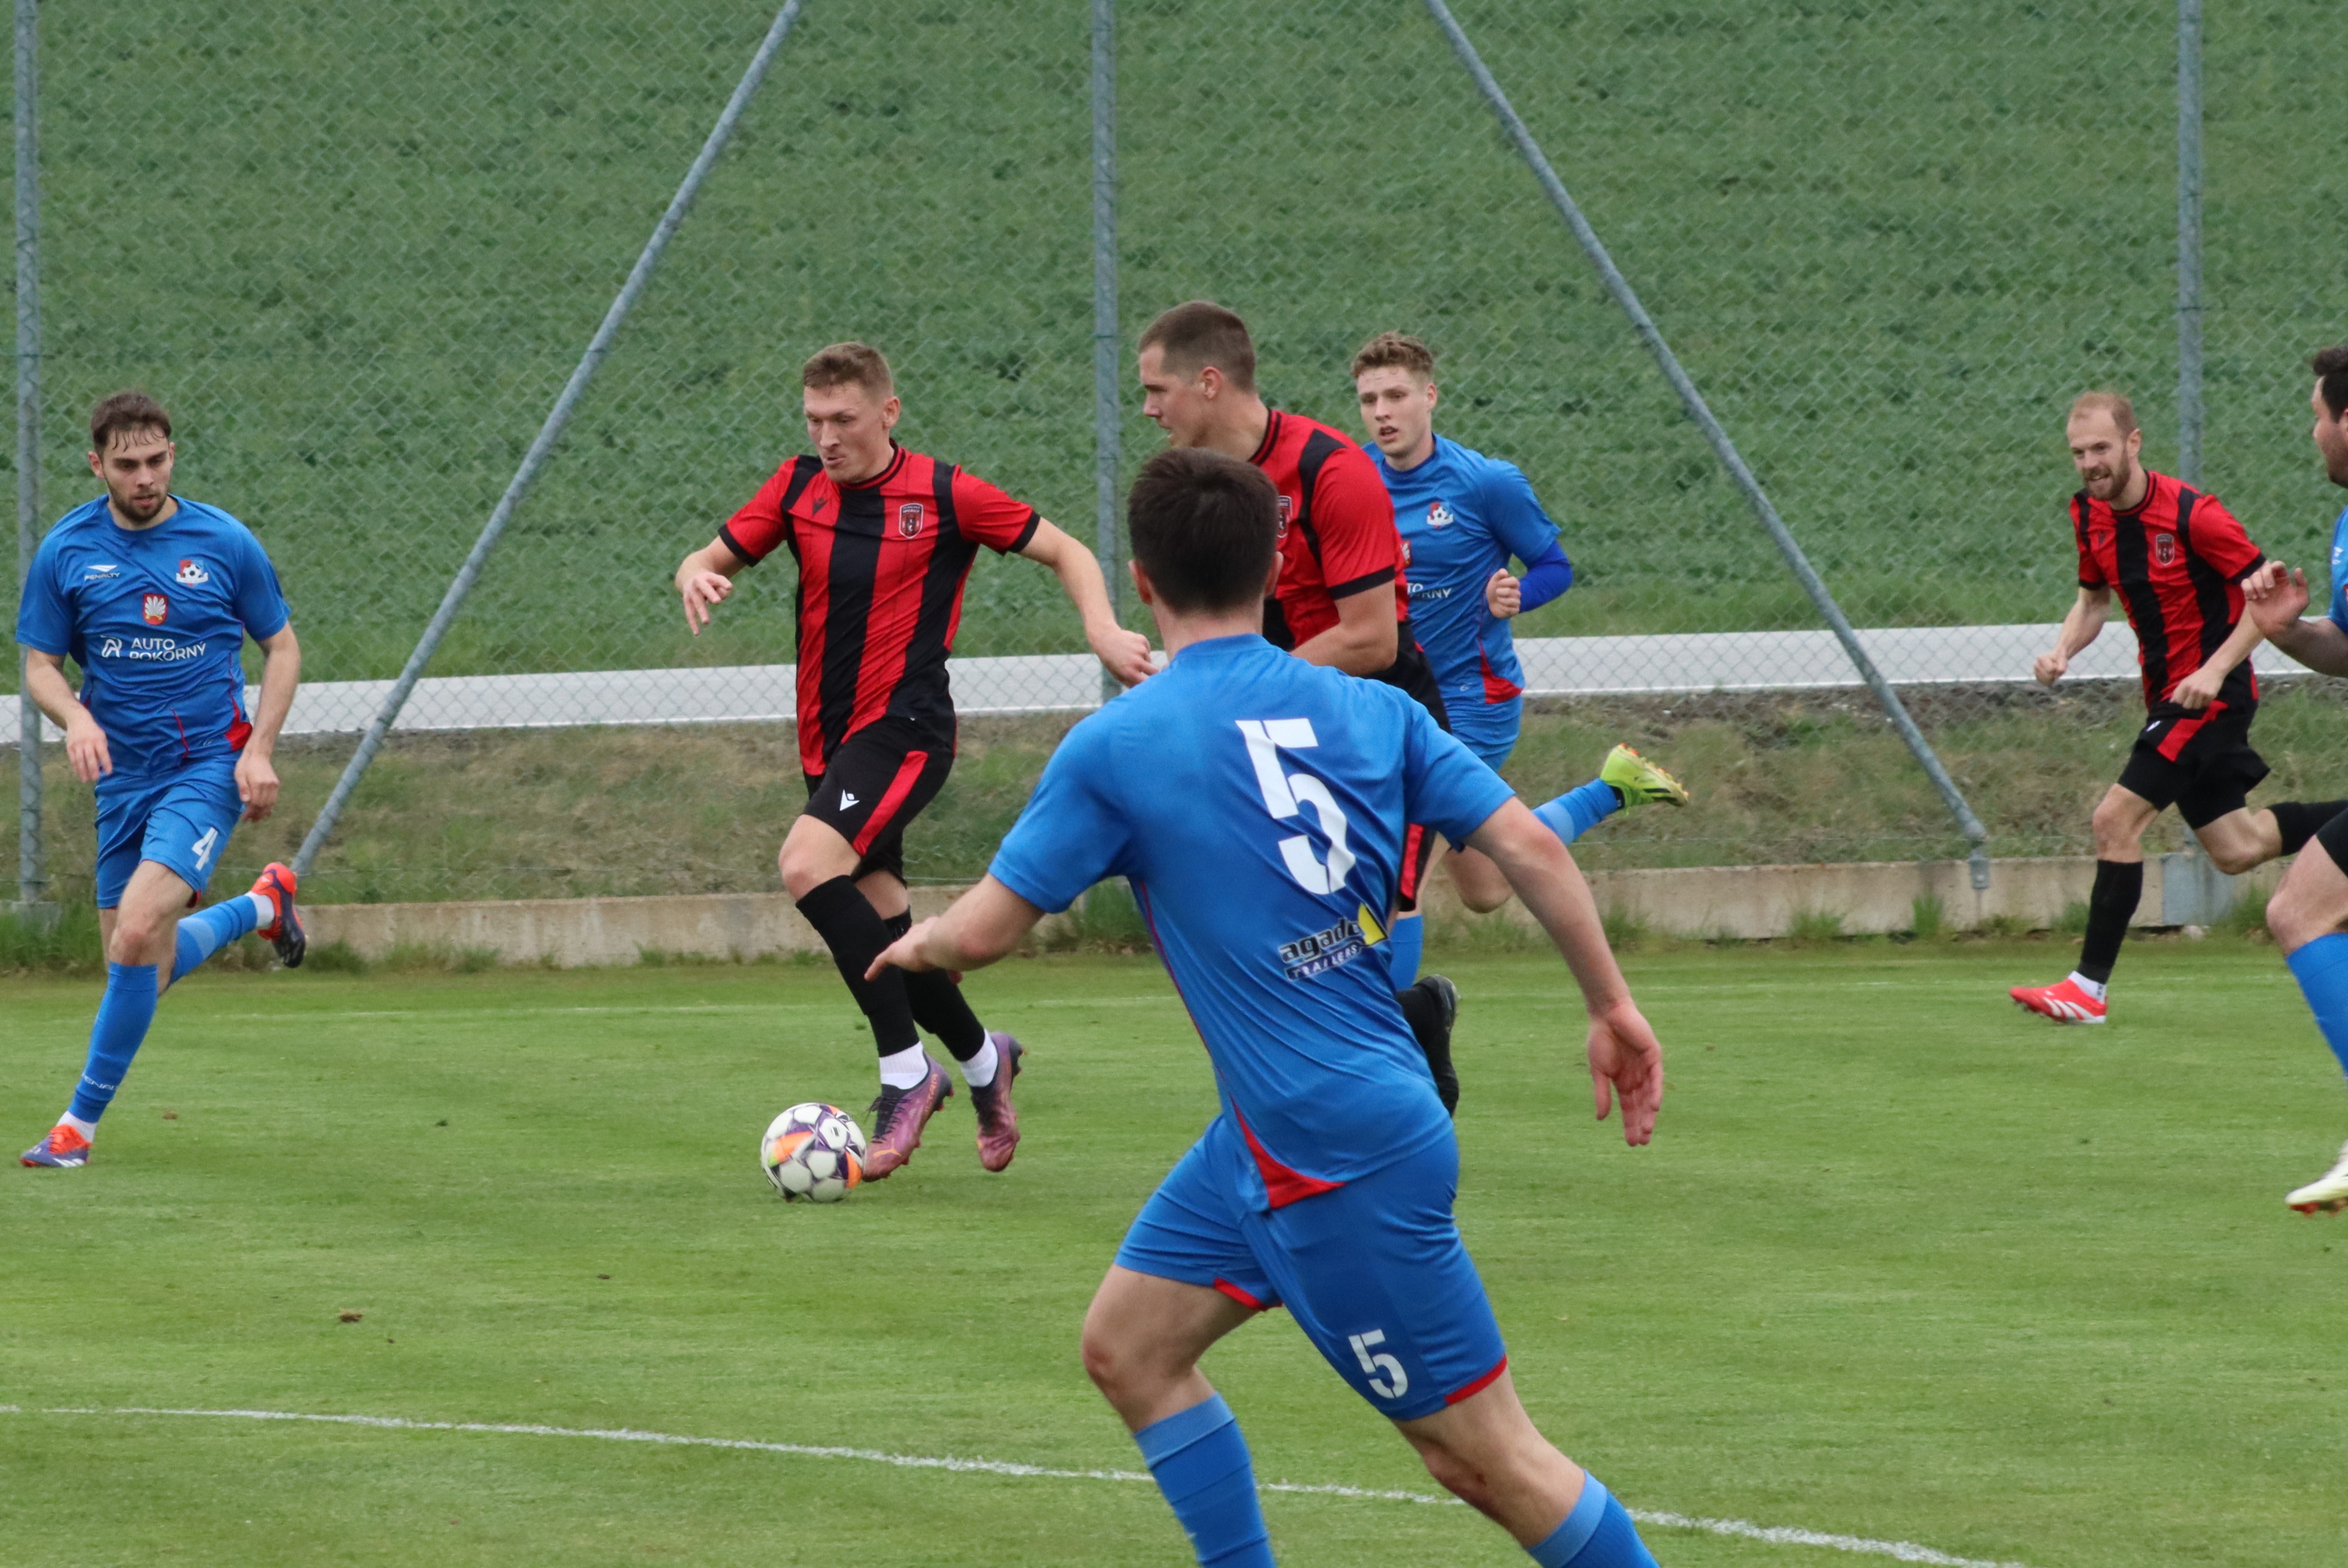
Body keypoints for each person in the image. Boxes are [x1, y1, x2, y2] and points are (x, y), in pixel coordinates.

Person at [871, 447, 1666, 1568]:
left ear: (1141, 580)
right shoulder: (1372, 709)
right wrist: (1610, 1005)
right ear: (1273, 568)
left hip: (1331, 1149)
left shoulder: (1119, 742)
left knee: (1485, 1457)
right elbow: (1529, 845)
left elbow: (981, 936)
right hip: (1271, 1131)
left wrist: (913, 943)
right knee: (1130, 1349)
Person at [674, 342, 1152, 1179]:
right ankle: (985, 1060)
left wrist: (1103, 630)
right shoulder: (796, 489)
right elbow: (708, 555)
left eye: (844, 419)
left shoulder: (943, 493)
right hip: (829, 744)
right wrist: (695, 572)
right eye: (814, 419)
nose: (827, 436)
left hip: (905, 729)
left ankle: (906, 1072)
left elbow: (1068, 550)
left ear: (888, 413)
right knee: (887, 930)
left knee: (805, 864)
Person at [1136, 301, 1464, 1108]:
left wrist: (1236, 682)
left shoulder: (1330, 470)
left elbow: (1371, 640)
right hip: (1271, 733)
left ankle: (1391, 1075)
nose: (1147, 409)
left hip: (1373, 724)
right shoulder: (1194, 489)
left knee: (1371, 919)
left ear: (1208, 383)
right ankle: (1402, 1032)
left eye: (1156, 389)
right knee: (1283, 931)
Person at [15, 391, 306, 1169]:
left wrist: (259, 751)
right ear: (97, 465)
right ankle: (262, 905)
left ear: (172, 455)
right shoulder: (67, 551)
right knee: (144, 962)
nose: (144, 477)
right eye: (126, 464)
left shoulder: (223, 541)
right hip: (122, 776)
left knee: (140, 929)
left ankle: (76, 1129)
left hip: (206, 763)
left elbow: (281, 647)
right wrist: (76, 717)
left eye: (155, 460)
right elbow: (39, 666)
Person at [2009, 391, 2348, 1025]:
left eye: (2101, 448)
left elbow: (2268, 602)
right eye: (2078, 452)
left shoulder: (2194, 514)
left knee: (2114, 820)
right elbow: (2092, 601)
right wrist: (2059, 650)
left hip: (2209, 699)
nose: (2090, 462)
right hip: (2167, 696)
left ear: (2132, 443)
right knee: (2237, 846)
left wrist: (2213, 671)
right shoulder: (2087, 514)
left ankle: (2087, 988)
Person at [1352, 330, 1690, 924]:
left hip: (1471, 701)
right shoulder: (1351, 481)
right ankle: (1614, 788)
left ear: (1429, 397)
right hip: (1395, 703)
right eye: (1369, 400)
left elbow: (1554, 567)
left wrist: (1514, 596)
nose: (1382, 412)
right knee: (1485, 888)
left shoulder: (1486, 484)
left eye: (1396, 395)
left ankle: (1387, 992)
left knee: (1398, 874)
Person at [2236, 342, 2348, 1212]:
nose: (2310, 434)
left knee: (2300, 909)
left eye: (2316, 418)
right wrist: (2287, 631)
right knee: (2308, 909)